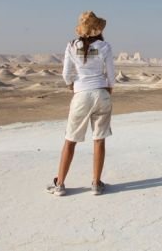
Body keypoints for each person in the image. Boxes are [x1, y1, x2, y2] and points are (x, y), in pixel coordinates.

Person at [46, 11, 115, 196]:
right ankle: (96, 183)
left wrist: (72, 86)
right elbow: (111, 74)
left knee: (70, 140)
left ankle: (59, 184)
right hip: (101, 93)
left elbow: (66, 74)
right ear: (97, 29)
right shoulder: (104, 46)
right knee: (99, 139)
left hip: (81, 94)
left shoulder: (71, 46)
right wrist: (108, 88)